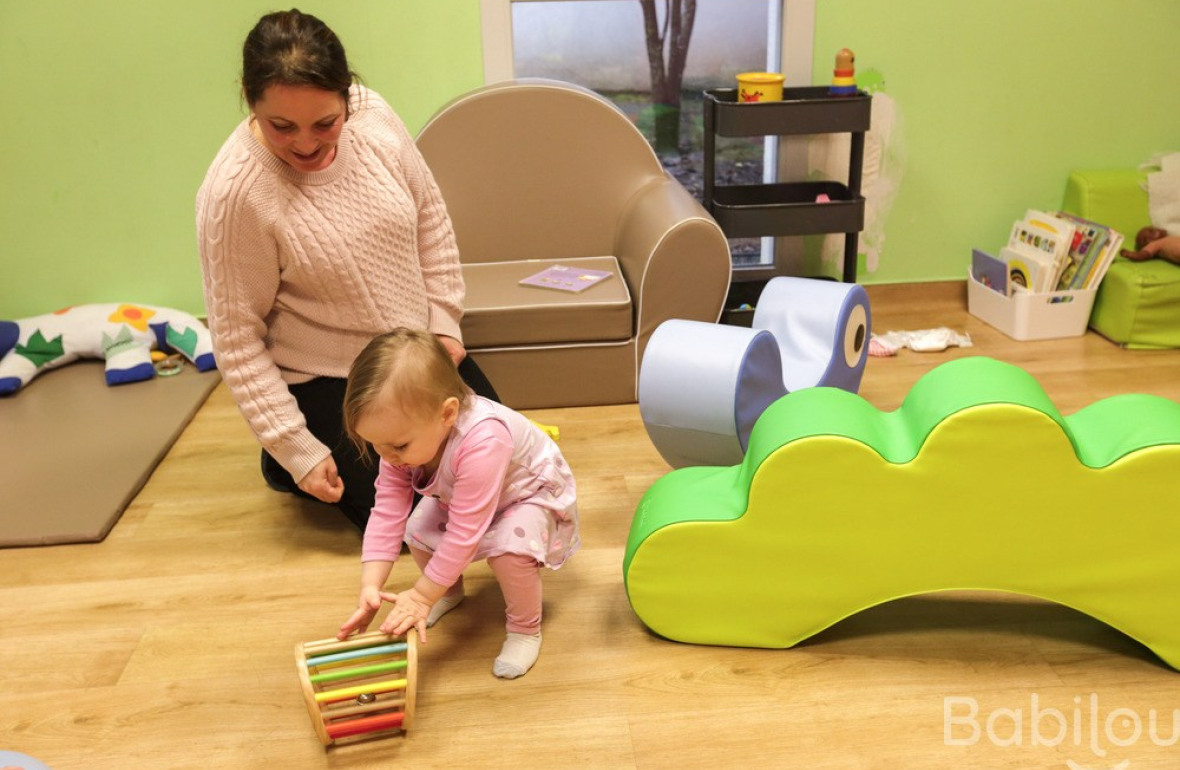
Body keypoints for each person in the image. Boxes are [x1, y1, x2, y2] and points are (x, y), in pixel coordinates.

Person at [196, 9, 495, 531]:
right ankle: (286, 457)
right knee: (422, 525)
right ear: (249, 98)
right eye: (281, 126)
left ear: (347, 95)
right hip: (328, 375)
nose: (307, 144)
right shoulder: (234, 194)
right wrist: (296, 447)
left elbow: (430, 217)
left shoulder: (374, 116)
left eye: (326, 123)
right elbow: (237, 340)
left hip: (412, 351)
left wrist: (444, 323)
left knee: (501, 469)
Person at [335, 329, 579, 679]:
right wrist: (369, 586)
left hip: (528, 494)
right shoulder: (399, 441)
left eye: (399, 447)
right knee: (417, 529)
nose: (387, 457)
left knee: (509, 550)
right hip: (469, 497)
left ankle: (525, 629)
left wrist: (421, 595)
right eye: (376, 445)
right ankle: (447, 590)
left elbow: (465, 534)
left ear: (448, 414)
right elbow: (387, 511)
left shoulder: (484, 440)